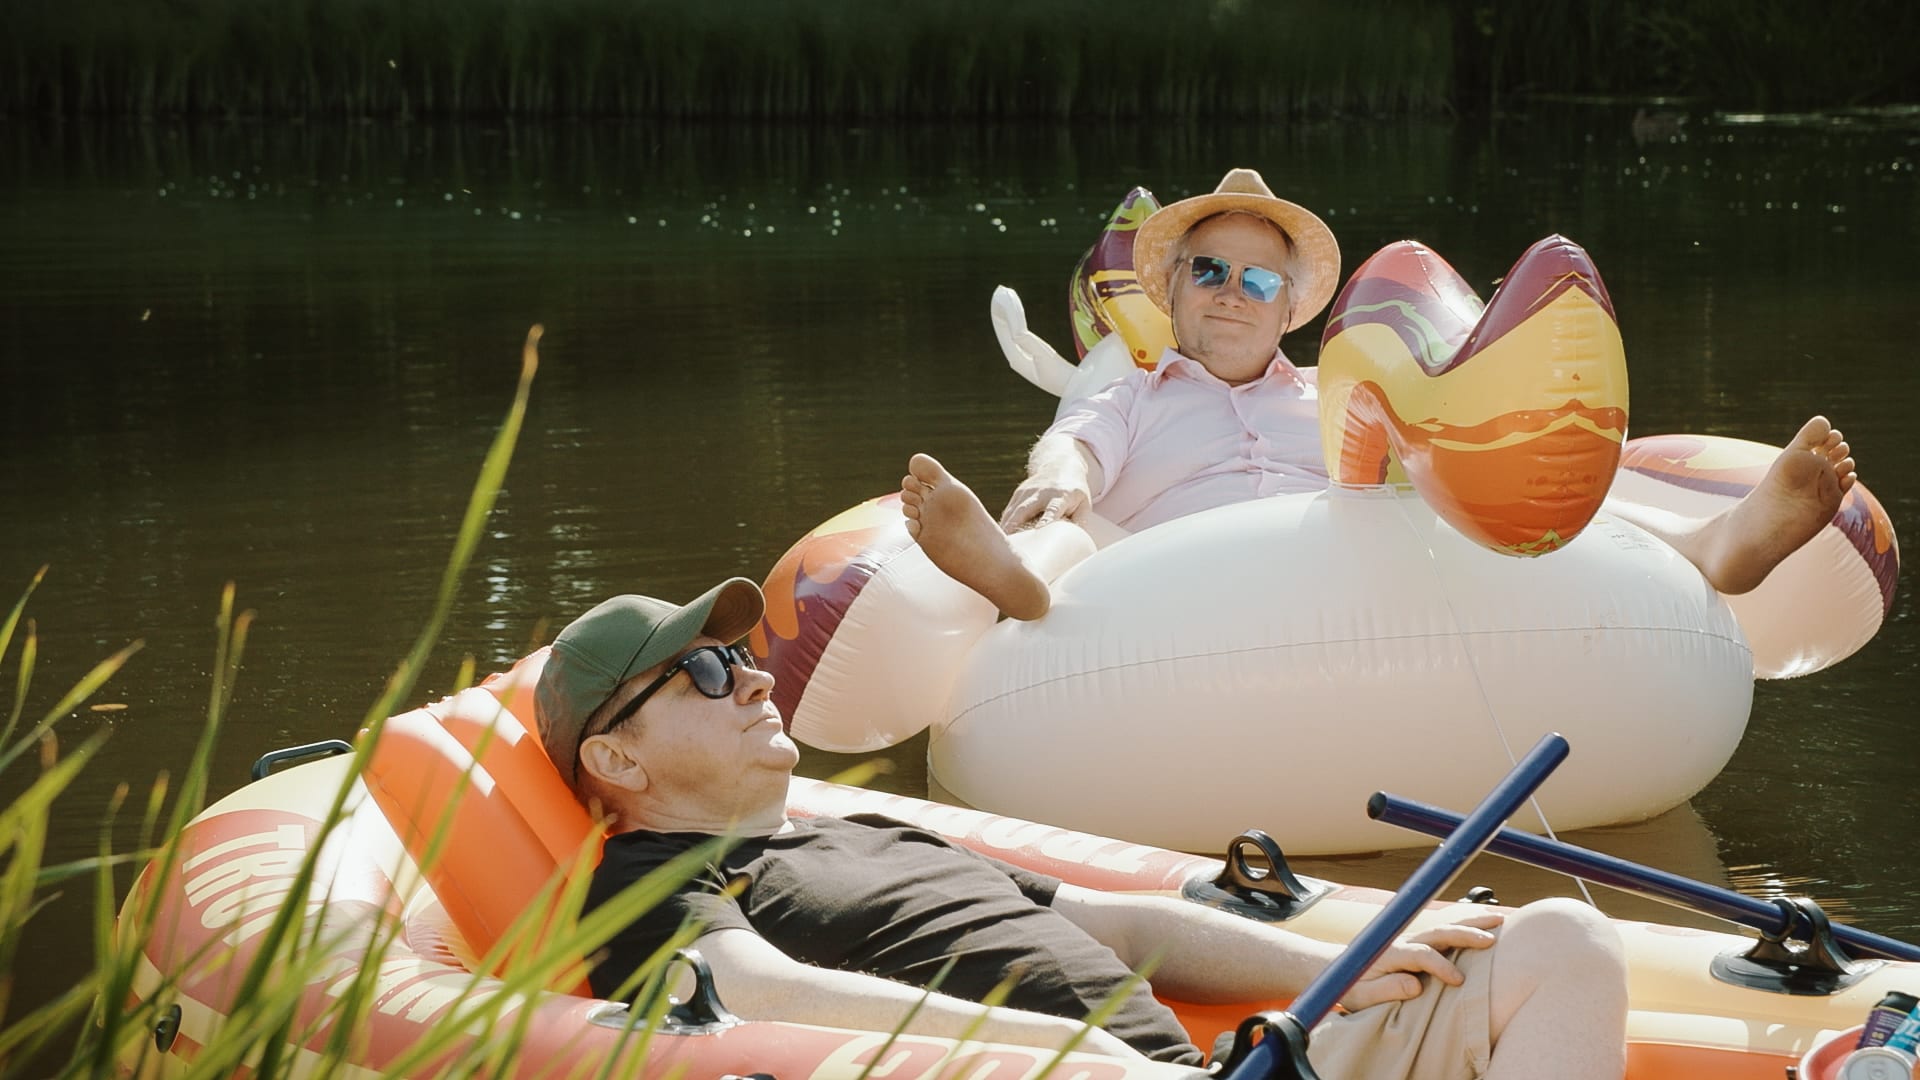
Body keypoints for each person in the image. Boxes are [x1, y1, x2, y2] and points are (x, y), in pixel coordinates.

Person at [534, 577, 1631, 1078]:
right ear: (617, 759)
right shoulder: (643, 876)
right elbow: (755, 993)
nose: (751, 678)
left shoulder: (865, 829)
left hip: (1212, 1069)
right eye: (705, 672)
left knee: (1564, 943)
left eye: (742, 656)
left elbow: (1120, 924)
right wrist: (1063, 1053)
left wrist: (1344, 966)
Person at [900, 168, 1858, 620]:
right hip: (1172, 577)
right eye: (1210, 271)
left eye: (1259, 280)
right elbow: (1075, 440)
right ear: (1173, 289)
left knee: (1475, 481)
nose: (1233, 292)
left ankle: (1712, 544)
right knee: (1070, 524)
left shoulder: (1336, 389)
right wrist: (1061, 480)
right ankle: (1017, 582)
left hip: (1345, 566)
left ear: (1291, 310)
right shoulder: (1139, 393)